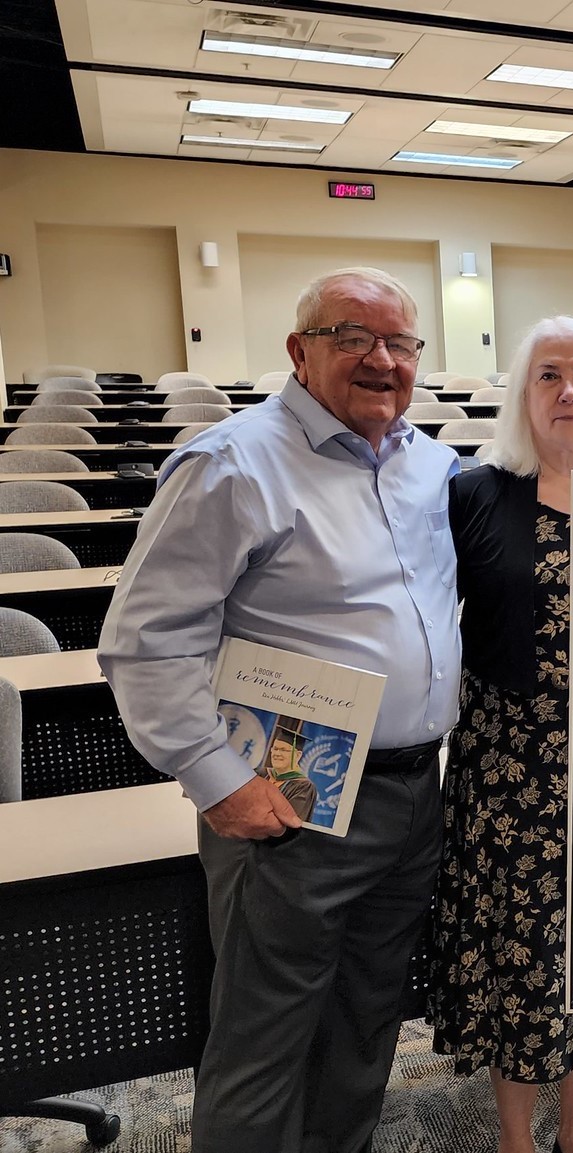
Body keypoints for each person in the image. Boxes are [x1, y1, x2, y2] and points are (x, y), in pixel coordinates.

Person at [98, 266, 458, 1153]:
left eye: (400, 342)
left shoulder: (436, 464)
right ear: (300, 351)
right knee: (265, 1034)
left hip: (412, 793)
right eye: (353, 337)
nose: (381, 359)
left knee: (367, 1018)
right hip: (285, 794)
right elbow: (147, 641)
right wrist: (220, 783)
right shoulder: (232, 462)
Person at [430, 315, 573, 1153]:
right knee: (519, 960)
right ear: (522, 394)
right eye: (548, 374)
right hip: (509, 771)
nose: (568, 391)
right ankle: (516, 1136)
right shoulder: (475, 493)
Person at [263, 718, 317, 822]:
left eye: (283, 750)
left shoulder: (304, 787)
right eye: (275, 748)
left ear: (297, 755)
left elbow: (290, 821)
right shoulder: (260, 774)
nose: (277, 754)